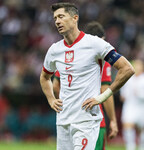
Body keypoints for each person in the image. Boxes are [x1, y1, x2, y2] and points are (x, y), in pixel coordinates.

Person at [40, 2, 135, 150]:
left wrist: (103, 96)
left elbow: (127, 69)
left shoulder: (95, 44)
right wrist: (51, 99)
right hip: (63, 120)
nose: (57, 21)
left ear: (74, 18)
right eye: (55, 18)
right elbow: (45, 77)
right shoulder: (54, 50)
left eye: (61, 16)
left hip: (86, 120)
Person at [53, 21, 118, 150]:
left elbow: (55, 85)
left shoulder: (68, 53)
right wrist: (113, 120)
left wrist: (66, 105)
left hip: (68, 118)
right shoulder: (100, 55)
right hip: (91, 120)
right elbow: (104, 88)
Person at [120, 59, 144, 150]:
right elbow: (123, 94)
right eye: (135, 65)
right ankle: (130, 147)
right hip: (129, 106)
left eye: (139, 65)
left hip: (141, 106)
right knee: (128, 125)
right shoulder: (128, 78)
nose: (137, 67)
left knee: (141, 128)